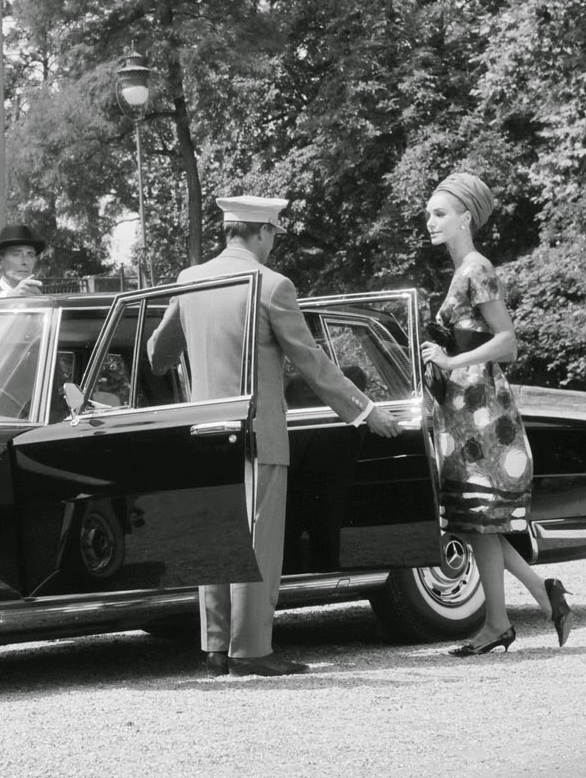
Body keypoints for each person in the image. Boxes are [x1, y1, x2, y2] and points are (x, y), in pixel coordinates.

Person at [148, 195, 403, 677]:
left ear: (230, 230)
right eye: (273, 235)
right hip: (256, 435)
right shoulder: (272, 285)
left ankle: (216, 647)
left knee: (215, 541)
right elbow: (311, 361)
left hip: (204, 433)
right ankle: (250, 651)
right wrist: (366, 410)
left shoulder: (189, 280)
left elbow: (157, 354)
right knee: (256, 545)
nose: (273, 243)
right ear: (263, 232)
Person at [419, 172, 574, 656]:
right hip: (464, 410)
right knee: (474, 519)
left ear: (466, 217)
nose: (430, 221)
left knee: (477, 517)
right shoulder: (462, 270)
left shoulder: (477, 267)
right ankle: (523, 606)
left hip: (481, 411)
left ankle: (504, 620)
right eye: (428, 214)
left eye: (440, 213)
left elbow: (507, 343)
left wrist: (450, 360)